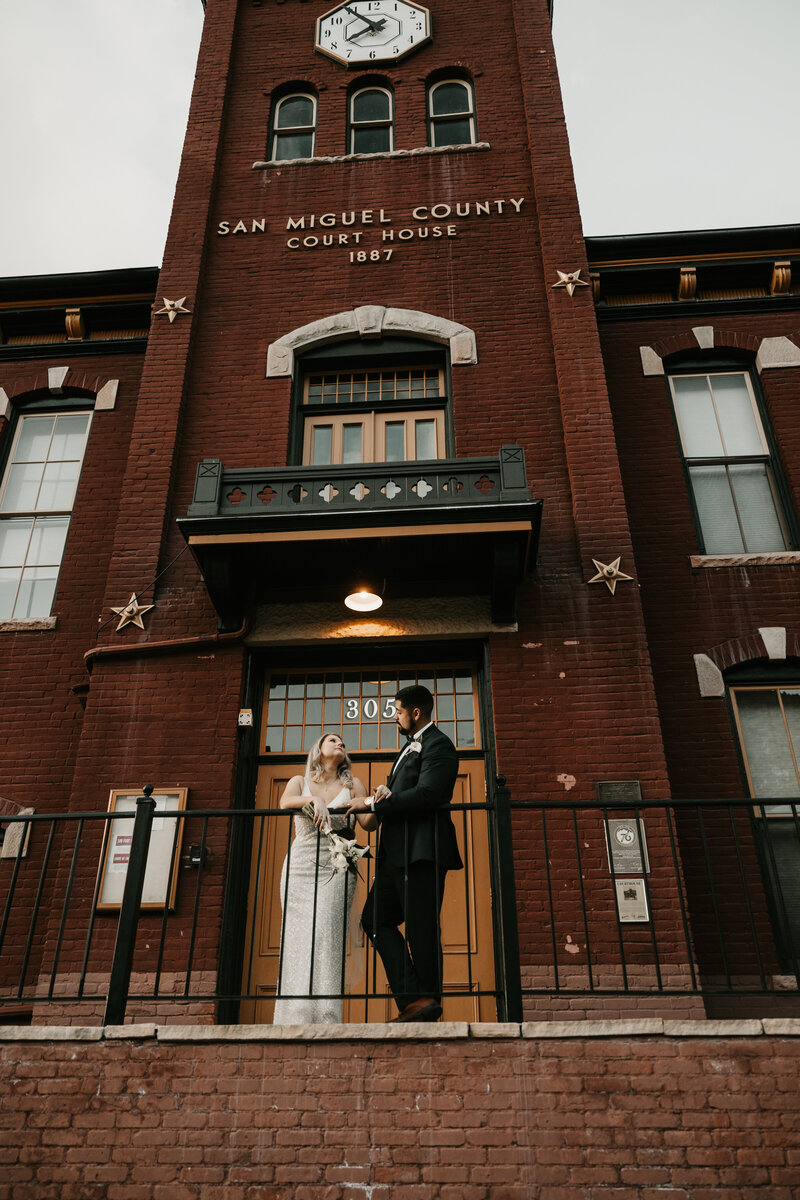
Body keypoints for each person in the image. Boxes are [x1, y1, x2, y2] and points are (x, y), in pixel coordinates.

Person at [347, 684, 463, 1022]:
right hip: (394, 855)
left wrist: (371, 801)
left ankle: (428, 1005)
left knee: (421, 930)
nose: (394, 717)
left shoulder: (439, 744)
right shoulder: (407, 748)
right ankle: (416, 998)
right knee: (374, 920)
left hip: (423, 852)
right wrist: (385, 793)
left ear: (415, 713)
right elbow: (404, 793)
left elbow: (427, 794)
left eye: (398, 711)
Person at [272, 732, 375, 1025]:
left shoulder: (353, 784)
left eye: (342, 742)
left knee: (328, 935)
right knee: (298, 936)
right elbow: (285, 802)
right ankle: (295, 1014)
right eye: (333, 740)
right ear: (319, 750)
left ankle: (327, 1014)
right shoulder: (299, 781)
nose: (340, 743)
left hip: (337, 868)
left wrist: (376, 802)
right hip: (300, 867)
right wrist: (313, 798)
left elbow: (369, 824)